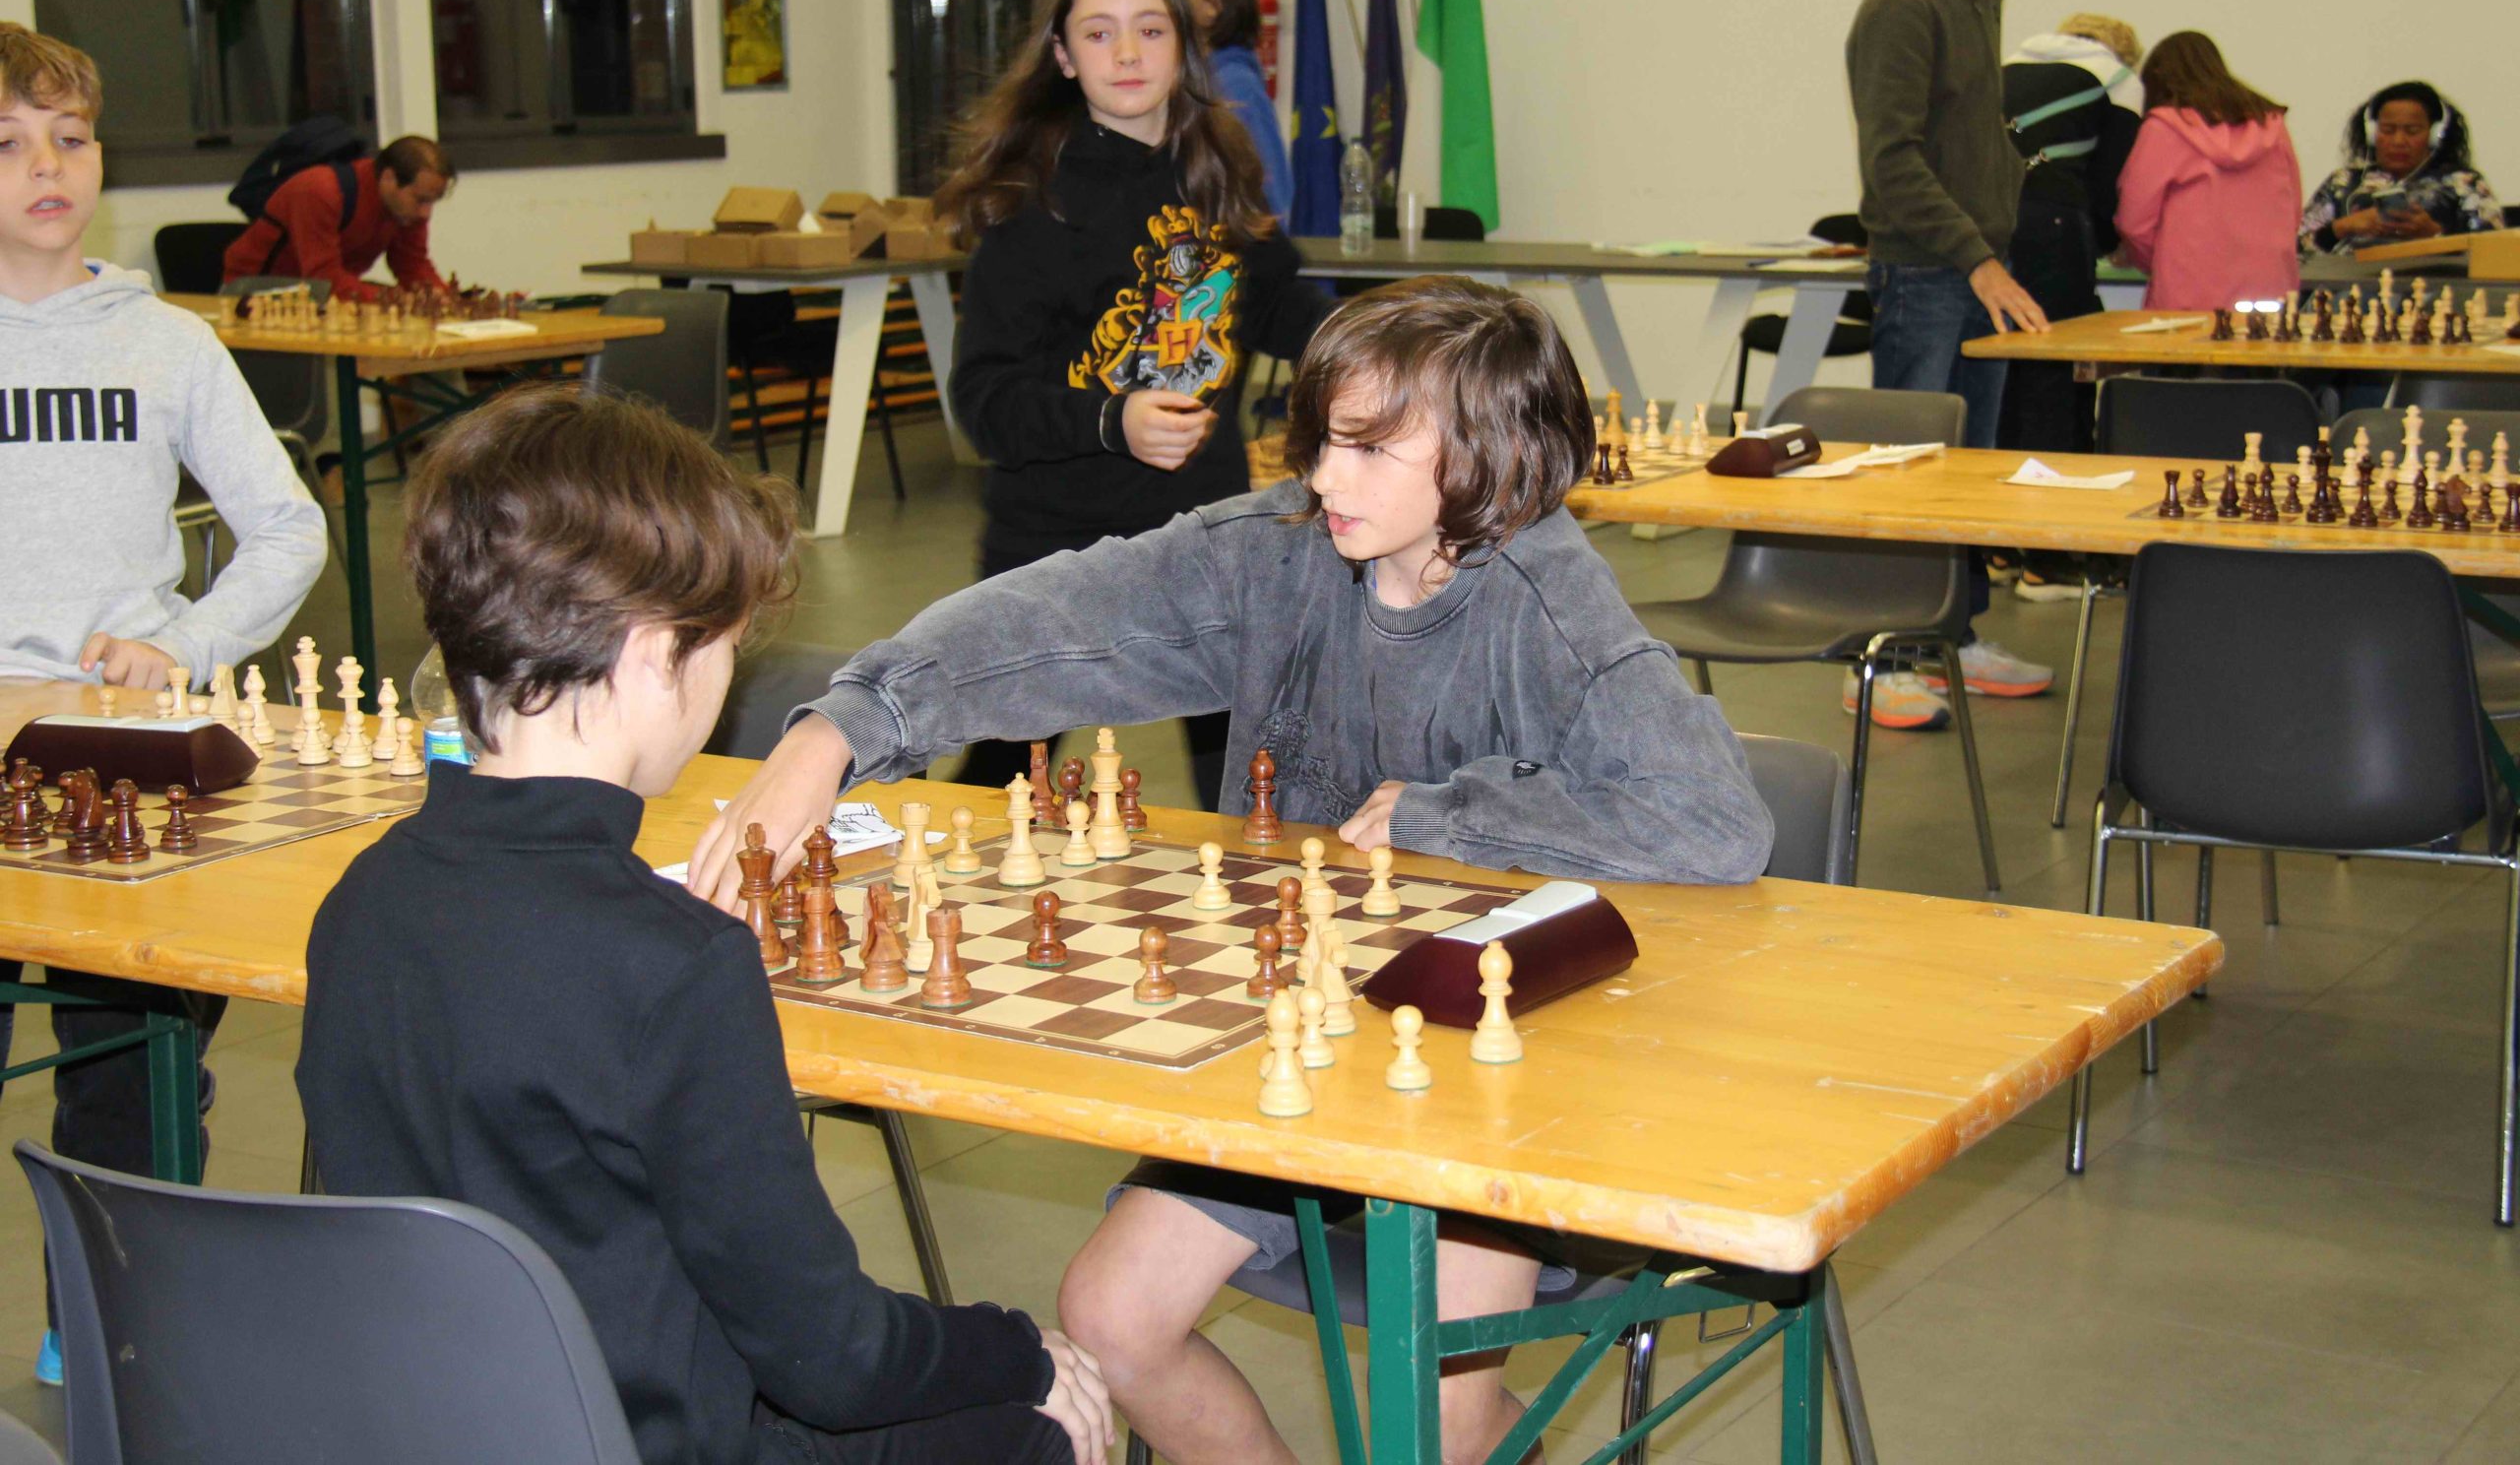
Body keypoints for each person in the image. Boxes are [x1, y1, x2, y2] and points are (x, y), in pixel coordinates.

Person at [689, 277, 1774, 1465]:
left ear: (1487, 455)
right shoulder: (1282, 550)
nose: (1323, 476)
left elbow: (1713, 819)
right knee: (1113, 1318)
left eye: (1369, 448)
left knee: (1435, 1426)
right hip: (1299, 1033)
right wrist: (835, 732)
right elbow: (1051, 617)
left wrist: (1454, 812)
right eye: (1322, 438)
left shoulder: (1545, 598)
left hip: (1487, 1072)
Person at [295, 384, 1110, 1465]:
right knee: (1036, 1428)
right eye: (723, 644)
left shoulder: (359, 902)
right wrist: (1021, 1349)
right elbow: (833, 1358)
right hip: (645, 1443)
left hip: (425, 1433)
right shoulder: (671, 962)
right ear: (653, 652)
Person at [0, 20, 327, 1387]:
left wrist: (183, 645)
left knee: (132, 1066)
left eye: (70, 138)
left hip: (112, 754)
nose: (47, 165)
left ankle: (106, 1328)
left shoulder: (166, 341)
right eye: (8, 143)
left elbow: (290, 526)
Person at [937, 0, 1324, 810]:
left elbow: (1277, 304)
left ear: (1185, 46)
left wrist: (1397, 344)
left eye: (1150, 30)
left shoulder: (1218, 169)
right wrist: (1114, 420)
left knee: (1251, 782)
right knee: (1005, 785)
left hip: (1207, 534)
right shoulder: (1028, 200)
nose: (1126, 53)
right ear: (1063, 56)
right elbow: (985, 402)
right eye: (1099, 32)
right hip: (1057, 545)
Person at [1844, 0, 2052, 727]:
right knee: (1909, 469)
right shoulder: (1903, 2)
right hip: (1927, 274)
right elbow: (1891, 160)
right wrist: (1975, 257)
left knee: (1967, 469)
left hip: (1977, 263)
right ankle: (1879, 658)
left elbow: (1968, 126)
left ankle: (1954, 637)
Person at [1997, 13, 2144, 602]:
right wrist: (2104, 241)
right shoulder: (2118, 80)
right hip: (2053, 226)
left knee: (2002, 379)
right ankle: (2049, 561)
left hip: (1987, 231)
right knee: (2056, 381)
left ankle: (1996, 545)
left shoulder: (2006, 66)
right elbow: (2109, 184)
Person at [2112, 32, 2300, 311]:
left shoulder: (2162, 129)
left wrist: (2158, 261)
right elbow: (2292, 210)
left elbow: (2135, 222)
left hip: (2186, 291)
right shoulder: (2271, 126)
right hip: (2268, 288)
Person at [220, 132, 454, 301]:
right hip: (254, 290)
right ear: (389, 178)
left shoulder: (407, 210)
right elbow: (322, 279)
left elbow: (412, 265)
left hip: (319, 293)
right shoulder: (320, 191)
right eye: (421, 200)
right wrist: (396, 298)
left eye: (432, 202)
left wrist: (444, 298)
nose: (426, 213)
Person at [1162, 0, 1292, 218]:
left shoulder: (1232, 87)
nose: (1158, 1)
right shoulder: (1183, 80)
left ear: (1213, 5)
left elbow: (1268, 204)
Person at [2300, 80, 2502, 255]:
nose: (2398, 141)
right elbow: (2294, 250)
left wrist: (2434, 235)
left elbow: (2496, 253)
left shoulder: (2463, 183)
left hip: (2432, 285)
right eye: (2388, 130)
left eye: (2412, 131)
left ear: (2434, 135)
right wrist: (2341, 228)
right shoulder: (2343, 182)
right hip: (2346, 285)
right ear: (2372, 134)